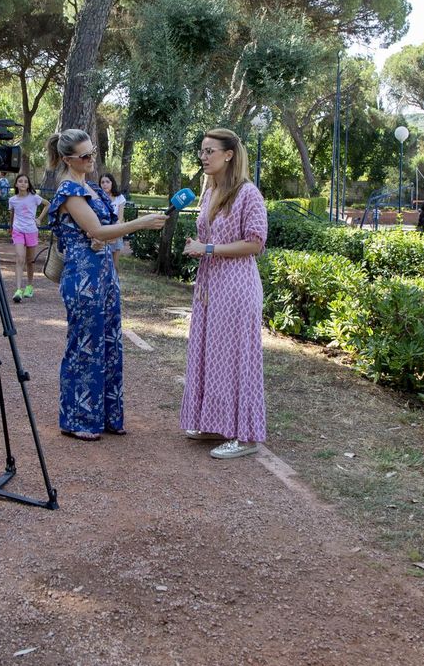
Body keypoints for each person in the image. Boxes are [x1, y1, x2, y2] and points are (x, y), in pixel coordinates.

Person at [48, 129, 167, 440]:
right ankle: (78, 420)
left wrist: (100, 239)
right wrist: (139, 224)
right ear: (67, 159)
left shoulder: (94, 190)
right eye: (84, 156)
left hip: (104, 276)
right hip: (83, 278)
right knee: (85, 346)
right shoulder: (70, 192)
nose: (90, 160)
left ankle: (105, 416)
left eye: (92, 154)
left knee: (110, 344)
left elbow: (98, 233)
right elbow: (98, 230)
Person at [181, 129, 269, 460]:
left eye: (209, 151)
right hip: (210, 286)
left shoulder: (249, 194)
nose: (203, 157)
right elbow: (209, 240)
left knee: (236, 359)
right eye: (201, 151)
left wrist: (209, 248)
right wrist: (199, 248)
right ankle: (214, 423)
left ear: (228, 154)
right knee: (211, 355)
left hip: (237, 287)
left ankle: (246, 435)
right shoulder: (210, 192)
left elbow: (255, 243)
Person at [7, 172, 47, 302]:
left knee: (30, 261)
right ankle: (18, 289)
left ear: (28, 184)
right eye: (20, 181)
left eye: (25, 181)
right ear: (16, 184)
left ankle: (29, 286)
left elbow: (48, 204)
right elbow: (12, 213)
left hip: (31, 231)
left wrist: (39, 219)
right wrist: (11, 227)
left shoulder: (34, 197)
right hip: (18, 231)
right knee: (19, 258)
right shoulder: (12, 200)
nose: (23, 183)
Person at [99, 172, 128, 269]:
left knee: (114, 266)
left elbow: (120, 218)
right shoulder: (97, 198)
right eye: (102, 182)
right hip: (101, 233)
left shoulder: (120, 198)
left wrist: (114, 234)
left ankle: (114, 283)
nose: (105, 184)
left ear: (112, 183)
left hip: (116, 231)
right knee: (102, 264)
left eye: (107, 182)